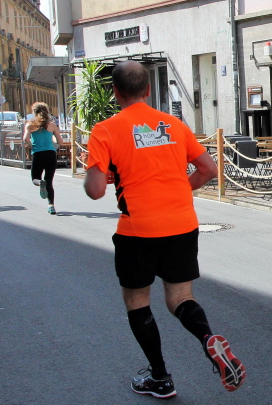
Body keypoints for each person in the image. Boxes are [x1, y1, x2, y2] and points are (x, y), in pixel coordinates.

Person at [83, 60, 245, 398]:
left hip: (137, 230)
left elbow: (95, 191)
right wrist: (179, 190)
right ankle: (207, 338)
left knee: (137, 301)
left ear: (115, 92)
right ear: (147, 90)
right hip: (181, 224)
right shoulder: (173, 125)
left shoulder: (105, 130)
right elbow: (208, 169)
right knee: (181, 298)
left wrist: (97, 173)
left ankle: (160, 376)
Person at [23, 102, 67, 215]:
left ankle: (40, 182)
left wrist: (32, 144)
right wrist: (53, 146)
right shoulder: (52, 125)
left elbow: (25, 139)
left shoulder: (30, 124)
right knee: (49, 182)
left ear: (34, 112)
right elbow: (60, 141)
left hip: (38, 154)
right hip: (50, 154)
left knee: (35, 179)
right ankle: (51, 206)